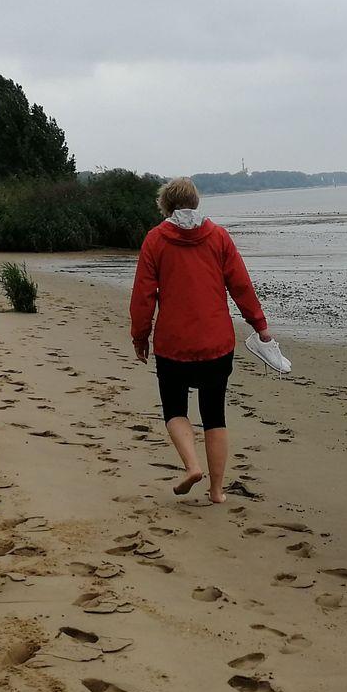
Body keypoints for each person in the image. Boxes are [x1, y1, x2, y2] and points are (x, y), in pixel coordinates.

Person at [130, 177, 271, 503]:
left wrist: (140, 336)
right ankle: (217, 491)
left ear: (166, 205)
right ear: (196, 202)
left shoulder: (155, 240)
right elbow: (240, 285)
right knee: (214, 414)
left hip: (174, 343)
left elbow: (143, 295)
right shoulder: (218, 236)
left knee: (174, 409)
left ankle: (192, 466)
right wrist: (259, 325)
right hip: (216, 342)